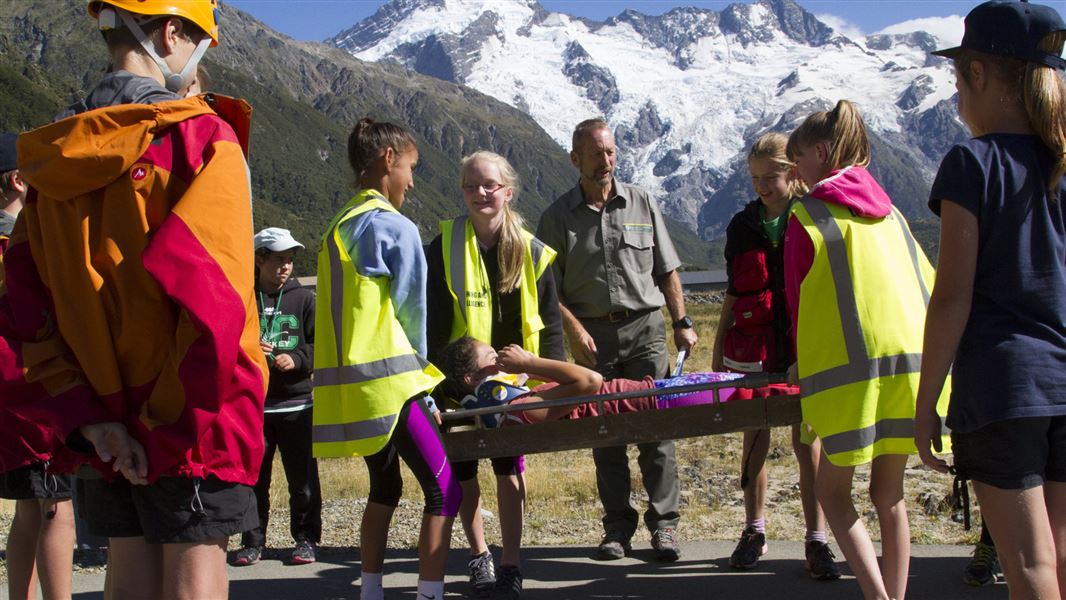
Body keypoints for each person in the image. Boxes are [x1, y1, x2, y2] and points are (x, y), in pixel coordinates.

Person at [1, 1, 268, 598]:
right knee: (195, 573)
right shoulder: (201, 139)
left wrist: (92, 421)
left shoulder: (52, 164)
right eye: (200, 41)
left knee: (127, 575)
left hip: (104, 424)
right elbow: (216, 305)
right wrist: (163, 426)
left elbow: (25, 318)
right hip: (193, 421)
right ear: (172, 33)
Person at [915, 2, 1066, 597]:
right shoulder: (1060, 163)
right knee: (1059, 557)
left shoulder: (971, 163)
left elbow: (952, 296)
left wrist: (927, 401)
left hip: (1004, 387)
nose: (956, 94)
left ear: (978, 73)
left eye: (957, 78)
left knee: (1028, 565)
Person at [783, 99, 950, 600]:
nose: (795, 173)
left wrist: (799, 362)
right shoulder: (892, 213)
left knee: (832, 492)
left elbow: (798, 302)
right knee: (889, 495)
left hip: (851, 378)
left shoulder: (808, 214)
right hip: (913, 369)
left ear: (820, 153)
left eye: (798, 161)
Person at [536, 118, 697, 562]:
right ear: (576, 158)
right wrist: (574, 329)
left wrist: (681, 321)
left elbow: (666, 269)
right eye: (596, 154)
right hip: (593, 340)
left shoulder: (642, 202)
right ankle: (617, 529)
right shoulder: (556, 218)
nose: (605, 161)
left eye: (610, 152)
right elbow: (548, 290)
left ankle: (665, 526)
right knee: (604, 433)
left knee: (656, 430)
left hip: (646, 330)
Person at [313, 118, 458, 600]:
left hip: (354, 391)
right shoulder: (394, 226)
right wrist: (427, 389)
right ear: (388, 159)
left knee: (385, 487)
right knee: (445, 490)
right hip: (393, 385)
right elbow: (413, 316)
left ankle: (371, 591)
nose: (412, 182)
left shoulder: (339, 225)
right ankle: (430, 594)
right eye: (411, 168)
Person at [426, 151, 564, 597]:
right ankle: (480, 555)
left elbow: (550, 321)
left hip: (513, 383)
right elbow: (430, 321)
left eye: (489, 185)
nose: (480, 193)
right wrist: (433, 386)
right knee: (464, 469)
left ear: (508, 191)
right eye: (471, 185)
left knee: (508, 467)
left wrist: (551, 381)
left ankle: (511, 563)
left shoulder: (532, 250)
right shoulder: (444, 245)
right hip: (459, 384)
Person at [711, 131, 839, 580]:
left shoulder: (812, 216)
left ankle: (816, 539)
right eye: (754, 178)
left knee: (808, 444)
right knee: (754, 439)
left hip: (806, 350)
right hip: (756, 352)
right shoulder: (741, 226)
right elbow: (734, 289)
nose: (761, 186)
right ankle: (754, 530)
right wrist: (718, 343)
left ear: (793, 173)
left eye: (770, 177)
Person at [0, 131, 76, 600]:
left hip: (8, 395)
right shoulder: (24, 242)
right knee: (57, 508)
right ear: (17, 180)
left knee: (30, 508)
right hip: (37, 389)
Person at [232, 228, 321, 567]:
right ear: (259, 259)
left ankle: (306, 539)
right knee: (255, 480)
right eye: (279, 259)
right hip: (255, 407)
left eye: (290, 260)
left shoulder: (304, 299)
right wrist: (249, 348)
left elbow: (320, 346)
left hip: (298, 405)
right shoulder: (245, 298)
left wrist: (297, 358)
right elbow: (229, 341)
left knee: (304, 481)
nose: (286, 266)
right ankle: (252, 542)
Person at [439, 336, 745, 426]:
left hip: (650, 393)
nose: (501, 361)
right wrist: (530, 363)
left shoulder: (521, 404)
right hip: (650, 400)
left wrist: (529, 372)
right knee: (745, 390)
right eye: (492, 357)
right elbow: (591, 380)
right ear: (473, 378)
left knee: (743, 385)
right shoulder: (521, 410)